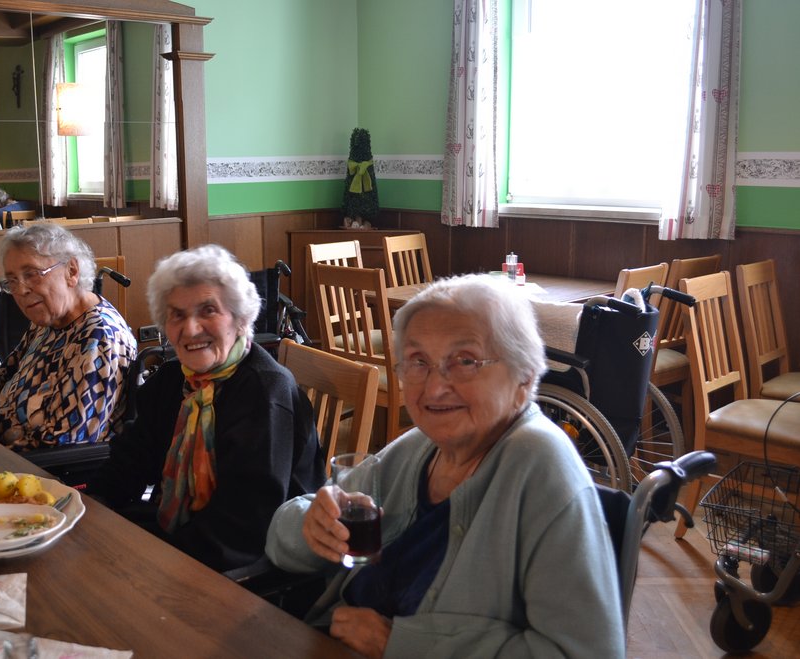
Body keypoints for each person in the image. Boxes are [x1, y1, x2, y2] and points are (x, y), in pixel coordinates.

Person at [266, 274, 625, 658]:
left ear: (524, 374)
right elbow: (278, 541)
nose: (435, 388)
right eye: (418, 361)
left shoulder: (541, 466)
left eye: (465, 361)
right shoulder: (420, 447)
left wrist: (397, 643)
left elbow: (587, 652)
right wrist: (311, 527)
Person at [89, 244, 326, 572]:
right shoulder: (172, 380)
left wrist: (147, 560)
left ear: (240, 320)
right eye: (177, 314)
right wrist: (89, 511)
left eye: (208, 310)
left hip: (249, 570)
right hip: (181, 540)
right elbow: (128, 464)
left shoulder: (264, 393)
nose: (190, 329)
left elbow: (242, 530)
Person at [0, 222, 137, 450]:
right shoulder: (48, 324)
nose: (21, 290)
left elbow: (65, 445)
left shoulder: (99, 338)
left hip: (32, 468)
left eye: (32, 274)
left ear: (71, 271)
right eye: (12, 281)